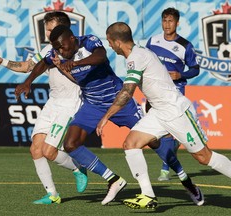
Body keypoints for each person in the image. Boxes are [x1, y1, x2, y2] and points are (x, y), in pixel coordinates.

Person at [16, 24, 203, 208]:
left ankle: (185, 180)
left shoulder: (88, 42)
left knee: (153, 142)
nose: (61, 51)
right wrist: (28, 82)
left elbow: (101, 56)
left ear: (72, 39)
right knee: (70, 143)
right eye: (56, 48)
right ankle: (113, 179)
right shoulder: (58, 53)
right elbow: (43, 63)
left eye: (63, 46)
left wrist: (76, 63)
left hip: (119, 101)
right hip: (93, 105)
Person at [97, 21, 231, 209]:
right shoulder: (137, 54)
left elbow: (127, 91)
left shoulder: (137, 56)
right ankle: (147, 195)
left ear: (117, 42)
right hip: (159, 112)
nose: (109, 45)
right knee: (130, 144)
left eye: (110, 42)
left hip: (177, 111)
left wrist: (106, 117)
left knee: (204, 157)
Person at [0, 11, 88, 205]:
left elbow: (85, 79)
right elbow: (27, 66)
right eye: (47, 30)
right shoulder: (47, 51)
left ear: (64, 30)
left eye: (51, 30)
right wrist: (3, 62)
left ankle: (78, 168)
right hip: (53, 102)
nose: (48, 35)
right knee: (36, 149)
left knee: (49, 152)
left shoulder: (81, 50)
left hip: (70, 104)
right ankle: (52, 194)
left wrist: (64, 65)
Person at [146, 7, 200, 181]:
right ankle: (171, 154)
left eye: (170, 21)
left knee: (169, 130)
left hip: (174, 92)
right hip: (154, 91)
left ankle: (164, 168)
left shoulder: (185, 45)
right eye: (164, 20)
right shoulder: (153, 41)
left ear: (177, 23)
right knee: (157, 132)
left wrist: (180, 75)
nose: (167, 24)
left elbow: (195, 69)